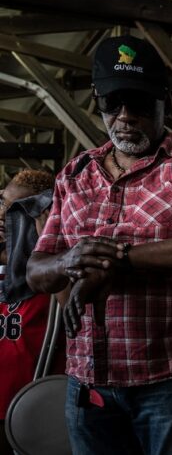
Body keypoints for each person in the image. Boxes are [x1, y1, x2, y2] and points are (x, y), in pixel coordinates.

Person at [26, 35, 172, 454]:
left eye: (139, 103)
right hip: (88, 381)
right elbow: (37, 271)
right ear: (98, 101)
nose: (125, 117)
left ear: (164, 101)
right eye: (113, 103)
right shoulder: (74, 174)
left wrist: (119, 259)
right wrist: (72, 258)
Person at [0, 170, 55, 455]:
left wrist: (48, 245)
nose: (3, 217)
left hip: (32, 404)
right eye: (2, 204)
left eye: (16, 211)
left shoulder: (48, 273)